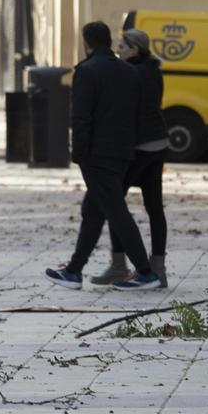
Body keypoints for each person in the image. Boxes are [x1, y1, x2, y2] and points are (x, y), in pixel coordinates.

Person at [46, 21, 160, 291]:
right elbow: (137, 112)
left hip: (97, 155)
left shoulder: (87, 72)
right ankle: (74, 270)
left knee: (115, 211)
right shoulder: (128, 71)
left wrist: (79, 155)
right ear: (108, 41)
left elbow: (81, 117)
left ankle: (145, 271)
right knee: (93, 210)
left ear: (87, 43)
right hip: (122, 152)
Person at [90, 29, 169, 287]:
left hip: (140, 146)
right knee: (154, 206)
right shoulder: (153, 70)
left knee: (114, 204)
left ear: (134, 50)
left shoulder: (131, 74)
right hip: (158, 143)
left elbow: (127, 112)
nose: (118, 51)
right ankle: (158, 267)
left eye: (122, 46)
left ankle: (119, 265)